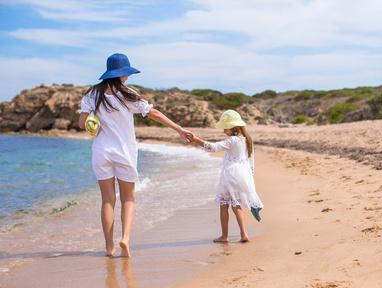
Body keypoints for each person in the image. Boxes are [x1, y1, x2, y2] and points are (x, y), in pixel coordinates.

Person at [78, 53, 192, 257]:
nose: (128, 77)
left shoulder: (92, 94)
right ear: (121, 73)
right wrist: (178, 129)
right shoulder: (128, 94)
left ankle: (109, 248)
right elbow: (153, 113)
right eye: (126, 73)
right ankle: (125, 239)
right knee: (128, 198)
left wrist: (94, 120)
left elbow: (81, 124)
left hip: (101, 152)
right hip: (124, 152)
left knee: (107, 200)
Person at [186, 110, 263, 243]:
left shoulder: (232, 140)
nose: (223, 131)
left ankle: (224, 236)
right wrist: (251, 176)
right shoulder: (247, 140)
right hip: (244, 174)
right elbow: (251, 161)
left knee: (224, 205)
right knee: (236, 205)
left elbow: (213, 147)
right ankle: (244, 234)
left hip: (230, 174)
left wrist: (195, 140)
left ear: (232, 127)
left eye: (224, 128)